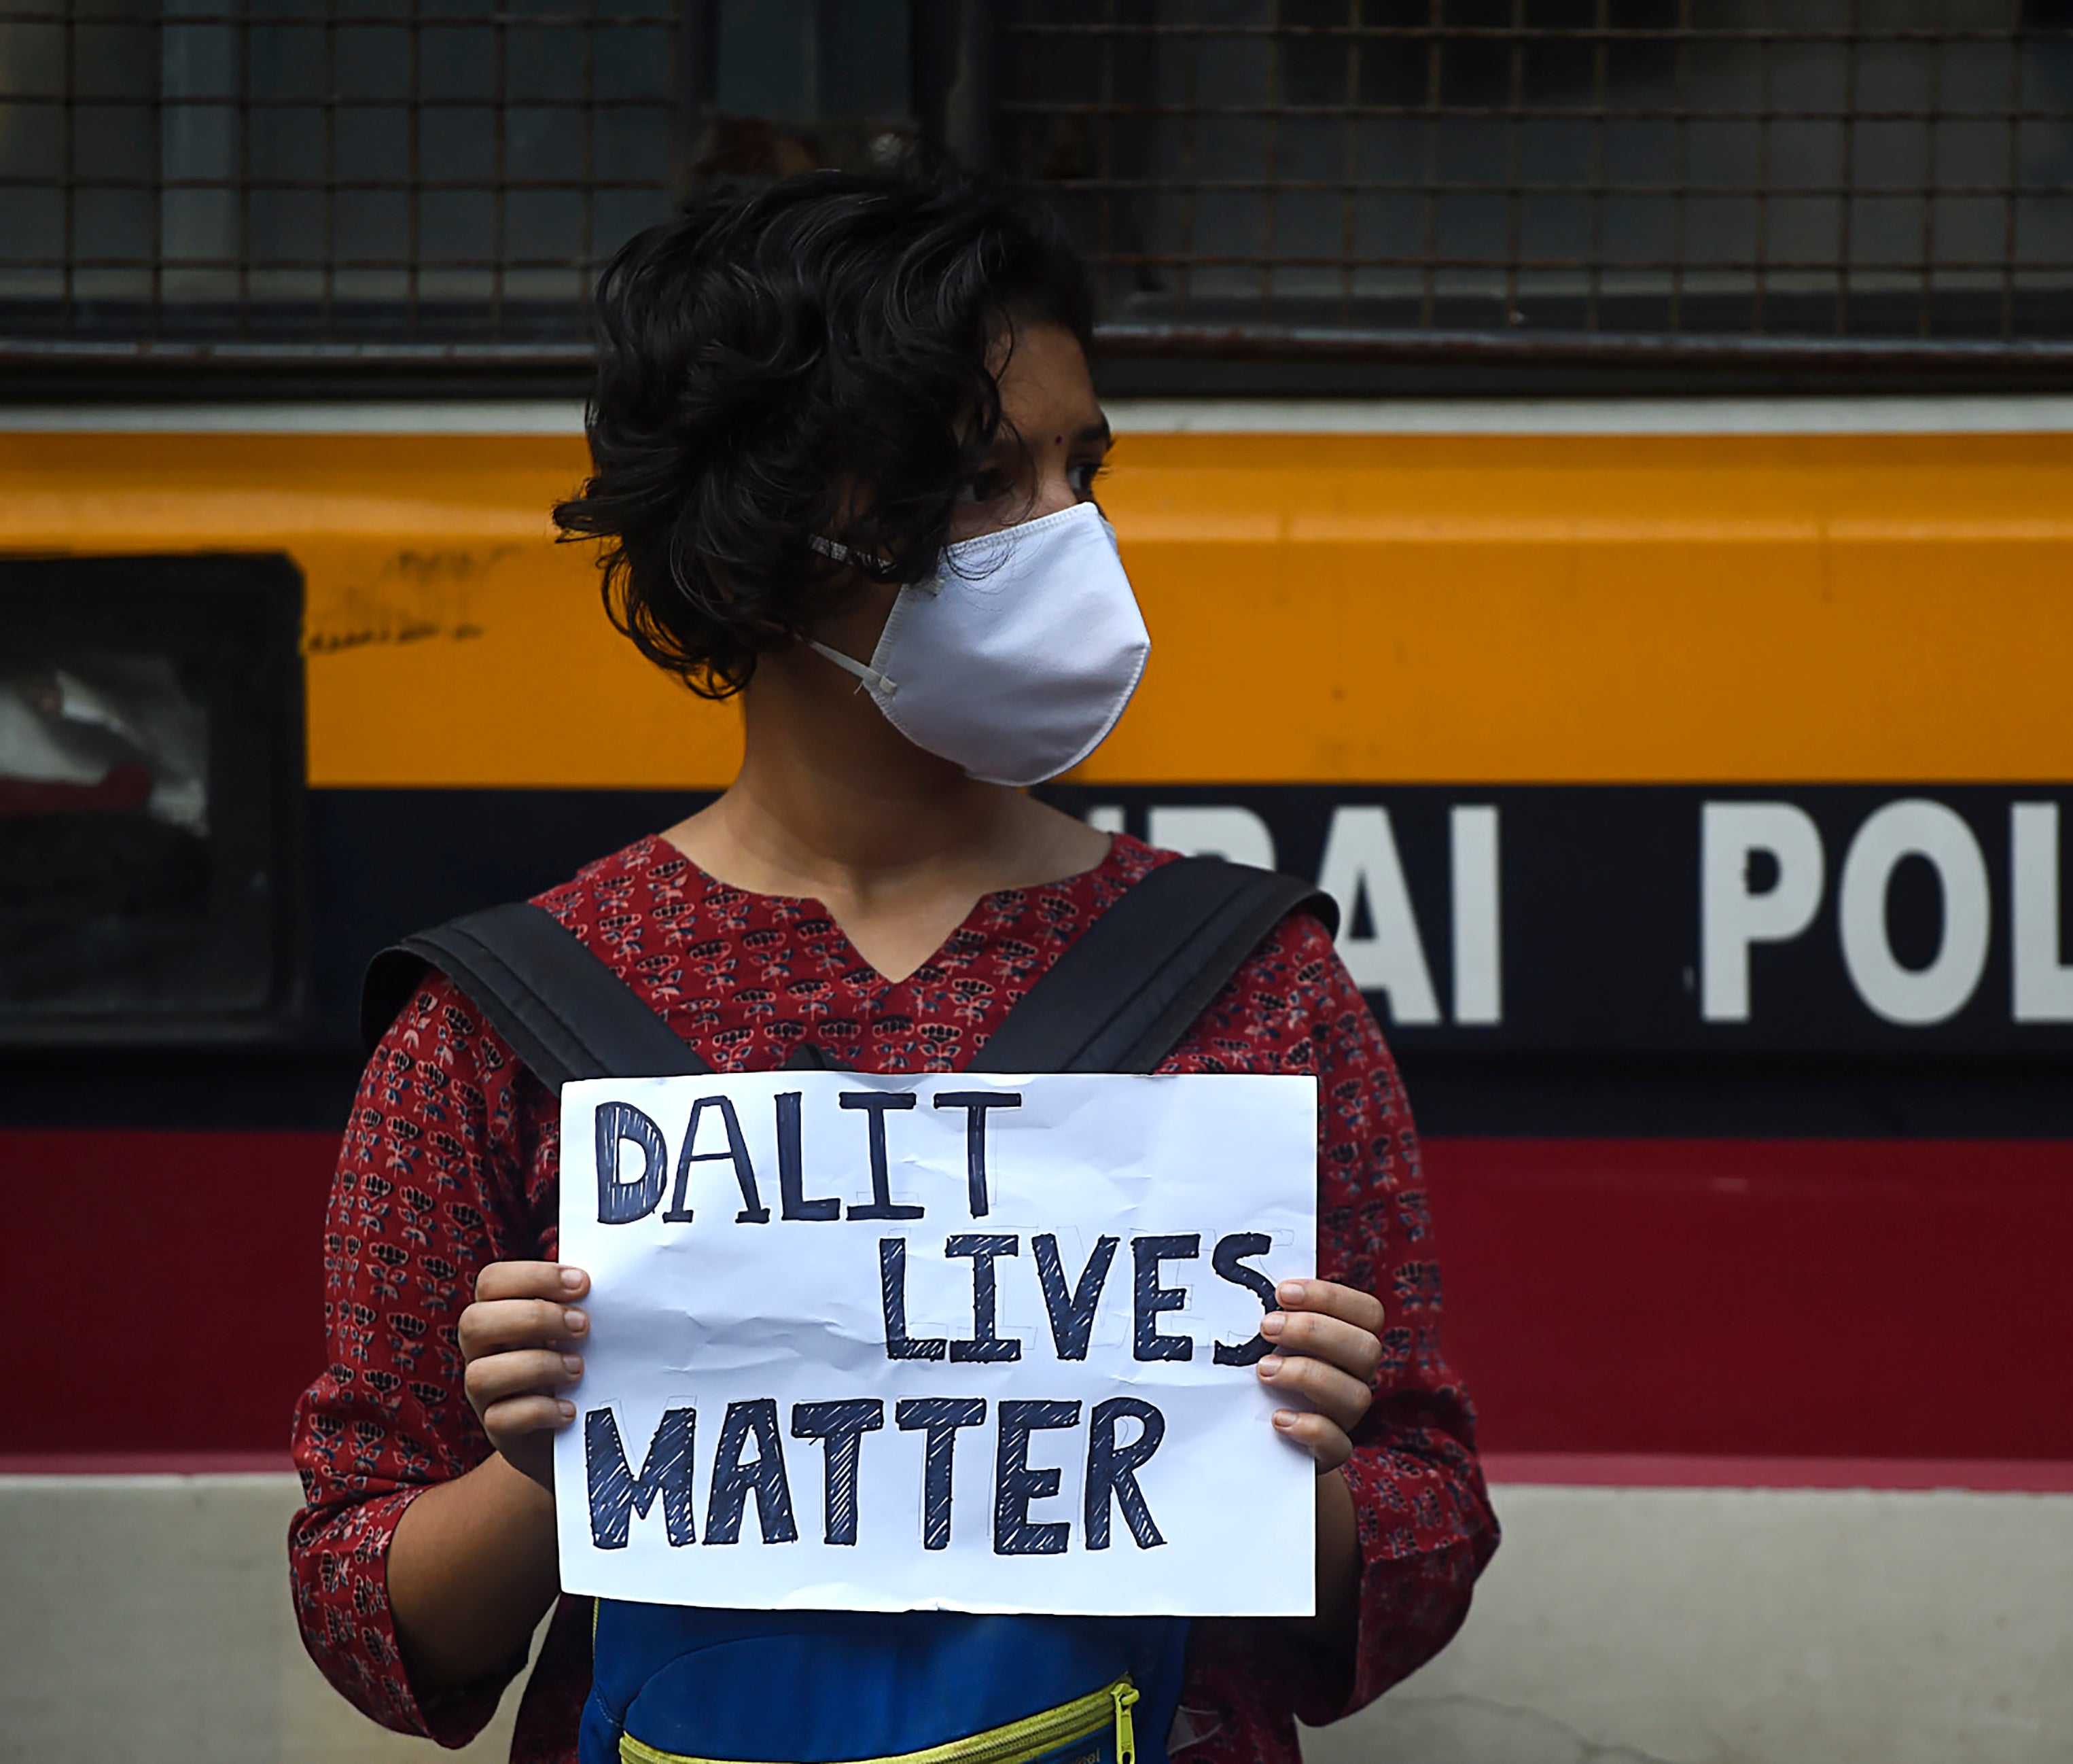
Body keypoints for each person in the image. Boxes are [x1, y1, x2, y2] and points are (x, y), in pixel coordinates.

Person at [289, 162, 1498, 1764]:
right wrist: (547, 1463)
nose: (1069, 537)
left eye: (1084, 468)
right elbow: (370, 1615)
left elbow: (1417, 1550)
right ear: (757, 535)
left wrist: (1310, 1460)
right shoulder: (497, 1024)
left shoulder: (1256, 983)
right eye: (986, 482)